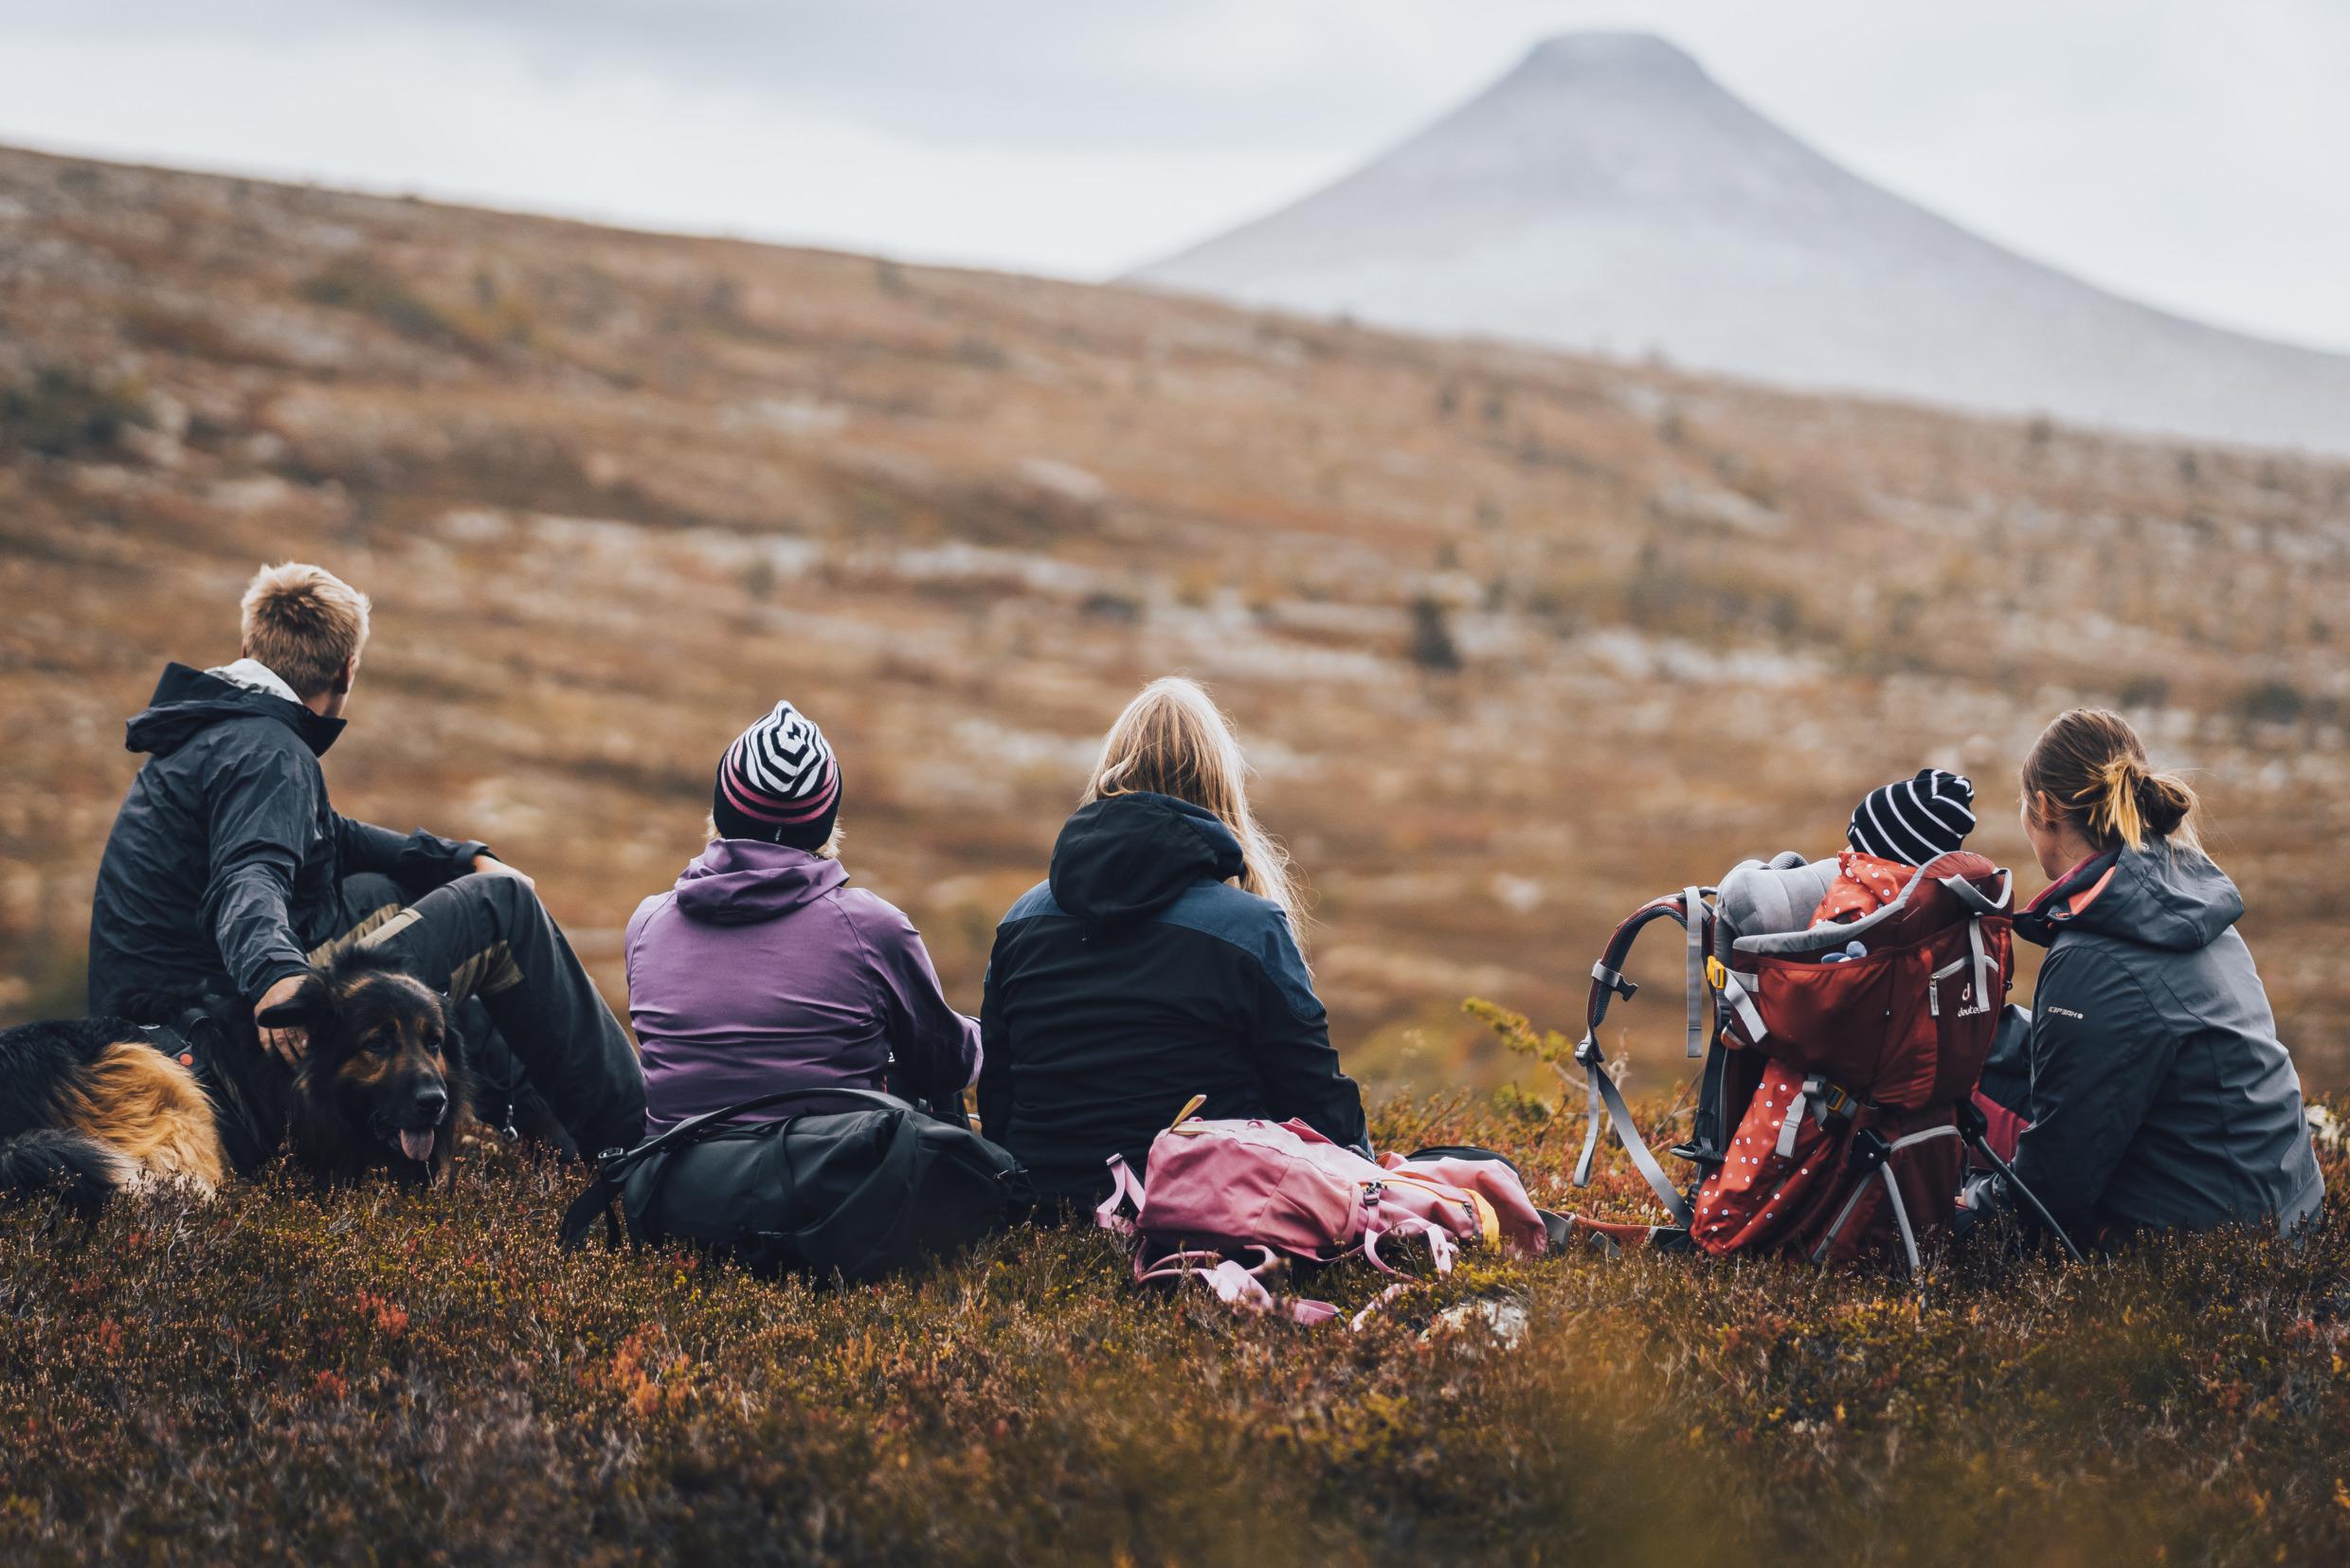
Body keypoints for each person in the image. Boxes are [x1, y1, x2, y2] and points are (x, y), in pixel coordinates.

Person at [85, 562, 644, 1157]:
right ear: (348, 669)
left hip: (163, 1012)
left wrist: (462, 858)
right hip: (212, 1024)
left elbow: (330, 837)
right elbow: (246, 878)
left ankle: (546, 1137)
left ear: (248, 648)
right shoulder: (270, 754)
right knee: (501, 909)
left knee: (388, 895)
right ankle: (637, 1136)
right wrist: (277, 974)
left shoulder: (221, 730)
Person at [977, 676, 1368, 1206]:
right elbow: (1320, 1110)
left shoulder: (1021, 921)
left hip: (1043, 1213)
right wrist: (1371, 1187)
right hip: (1208, 1220)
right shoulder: (1250, 929)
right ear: (1219, 791)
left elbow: (1000, 1104)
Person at [1983, 708, 2322, 1243]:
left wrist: (1971, 1206)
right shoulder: (2178, 893)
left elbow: (2053, 1188)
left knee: (1942, 1216)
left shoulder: (2095, 955)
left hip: (2213, 1244)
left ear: (2044, 810)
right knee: (1988, 1058)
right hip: (2284, 1206)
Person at [624, 700, 980, 1134]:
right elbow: (946, 1065)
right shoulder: (872, 927)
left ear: (722, 808)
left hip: (676, 1192)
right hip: (828, 1192)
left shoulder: (647, 924)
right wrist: (984, 1036)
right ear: (824, 822)